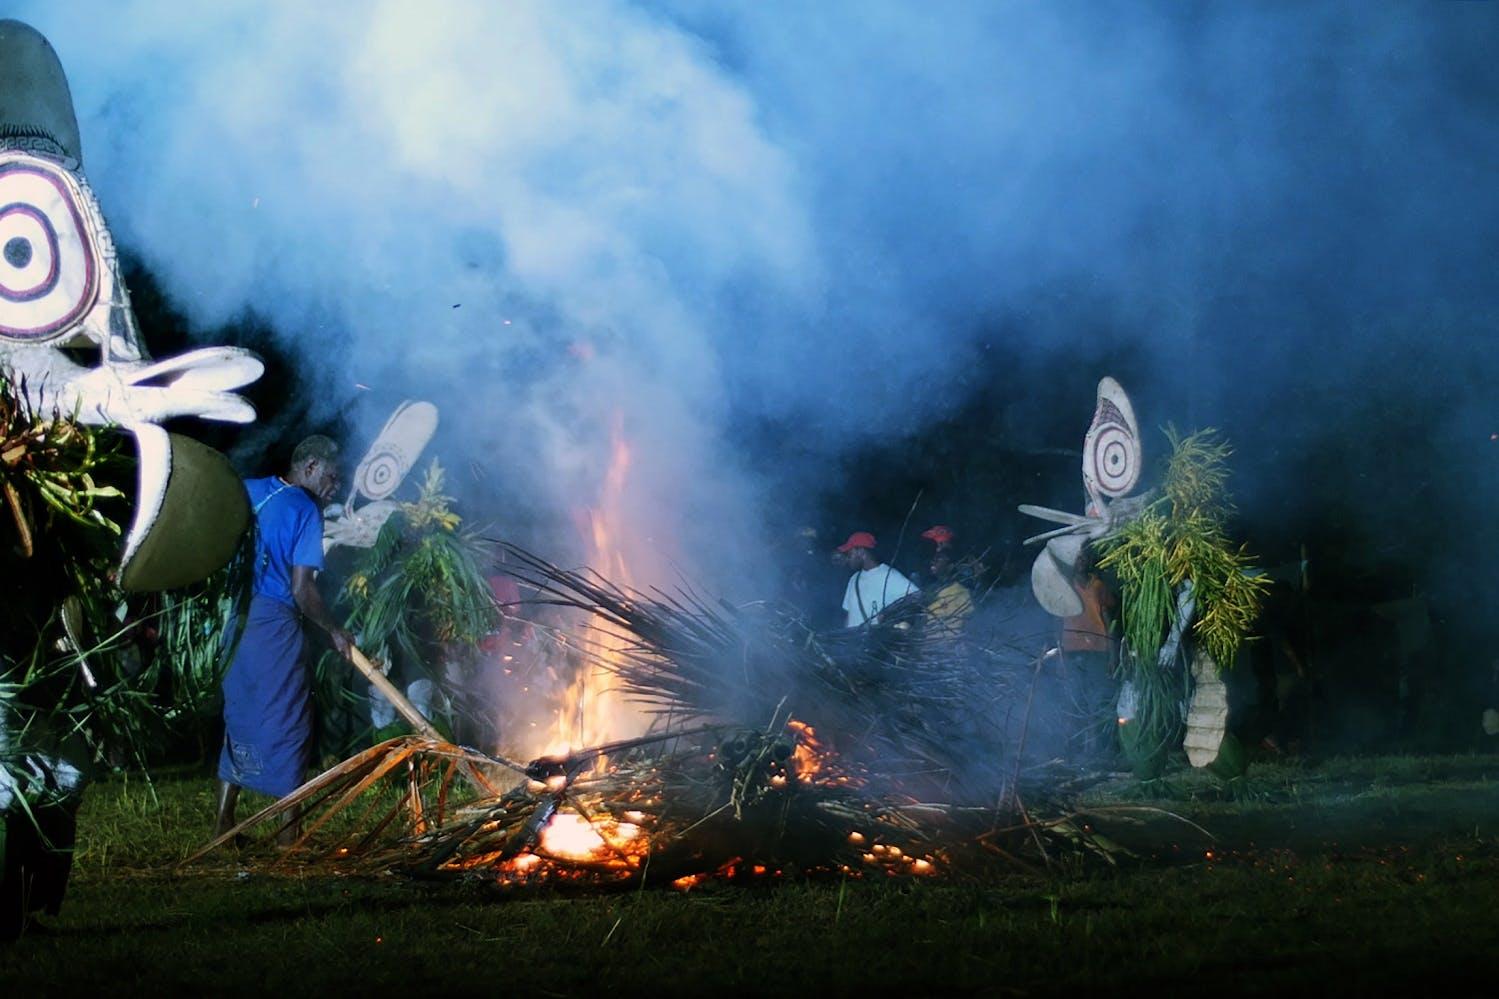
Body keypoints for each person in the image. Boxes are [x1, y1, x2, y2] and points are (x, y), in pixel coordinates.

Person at [214, 435, 355, 844]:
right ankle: (288, 834)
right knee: (292, 719)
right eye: (332, 477)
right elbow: (302, 589)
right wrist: (334, 629)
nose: (335, 487)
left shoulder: (247, 489)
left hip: (233, 621)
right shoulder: (305, 509)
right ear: (310, 467)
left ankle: (223, 822)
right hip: (273, 624)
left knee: (239, 715)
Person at [836, 531, 918, 628]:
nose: (848, 559)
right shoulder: (854, 579)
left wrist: (888, 612)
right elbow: (849, 614)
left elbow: (917, 596)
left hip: (874, 637)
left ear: (861, 552)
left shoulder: (888, 575)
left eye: (849, 554)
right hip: (853, 637)